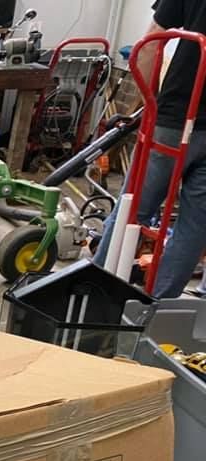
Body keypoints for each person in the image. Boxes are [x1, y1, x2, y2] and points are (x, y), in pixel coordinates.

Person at [95, 1, 206, 298]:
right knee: (195, 228)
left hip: (177, 114)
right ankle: (153, 309)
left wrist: (150, 104)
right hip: (183, 115)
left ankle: (95, 297)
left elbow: (149, 43)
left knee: (132, 210)